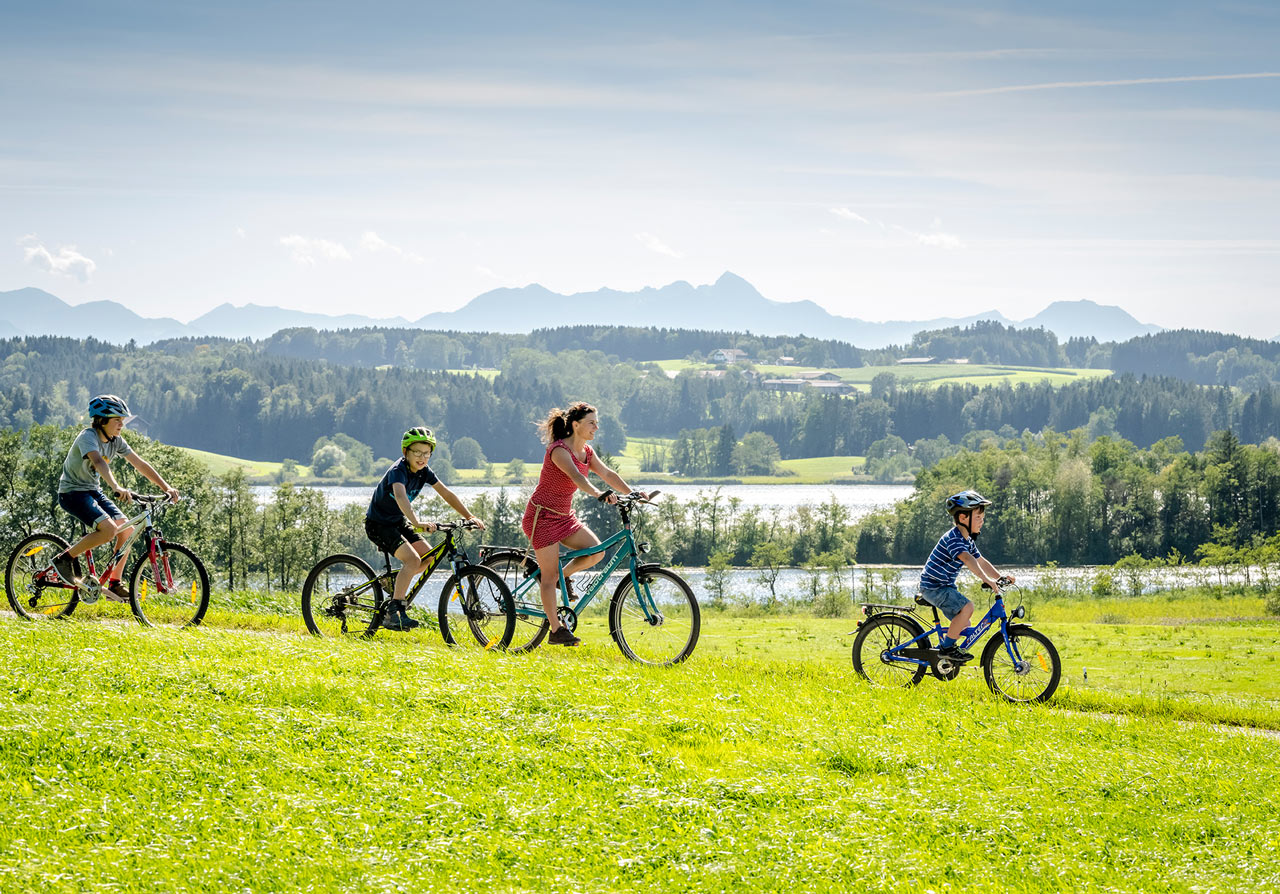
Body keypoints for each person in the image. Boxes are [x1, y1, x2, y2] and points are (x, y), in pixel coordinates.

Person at [522, 402, 637, 647]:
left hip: (564, 517)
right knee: (549, 576)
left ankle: (564, 577)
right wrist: (599, 494)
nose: (596, 427)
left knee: (597, 552)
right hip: (541, 518)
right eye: (591, 423)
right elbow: (577, 477)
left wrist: (634, 493)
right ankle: (555, 629)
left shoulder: (587, 451)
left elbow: (608, 474)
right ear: (576, 425)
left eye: (597, 422)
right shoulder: (559, 451)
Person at [52, 394, 180, 603]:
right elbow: (99, 463)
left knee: (126, 531)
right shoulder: (88, 437)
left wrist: (166, 487)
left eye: (122, 419)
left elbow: (140, 464)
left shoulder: (116, 441)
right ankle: (64, 559)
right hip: (72, 493)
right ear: (102, 421)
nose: (122, 424)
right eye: (117, 420)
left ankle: (114, 584)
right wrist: (116, 487)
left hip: (93, 491)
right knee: (109, 530)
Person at [365, 427, 485, 631]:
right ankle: (394, 612)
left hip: (397, 522)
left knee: (428, 558)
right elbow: (401, 497)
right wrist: (417, 522)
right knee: (412, 560)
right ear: (406, 452)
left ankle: (394, 583)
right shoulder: (398, 471)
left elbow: (446, 493)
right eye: (417, 453)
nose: (422, 458)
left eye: (426, 453)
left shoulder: (425, 472)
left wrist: (469, 516)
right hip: (379, 524)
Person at [918, 490, 1015, 662]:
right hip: (934, 587)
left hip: (944, 586)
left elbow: (981, 561)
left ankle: (946, 658)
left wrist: (999, 578)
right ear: (963, 518)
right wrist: (987, 580)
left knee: (964, 624)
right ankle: (946, 649)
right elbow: (968, 560)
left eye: (982, 517)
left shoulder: (967, 540)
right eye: (978, 517)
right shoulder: (954, 539)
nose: (982, 521)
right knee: (967, 608)